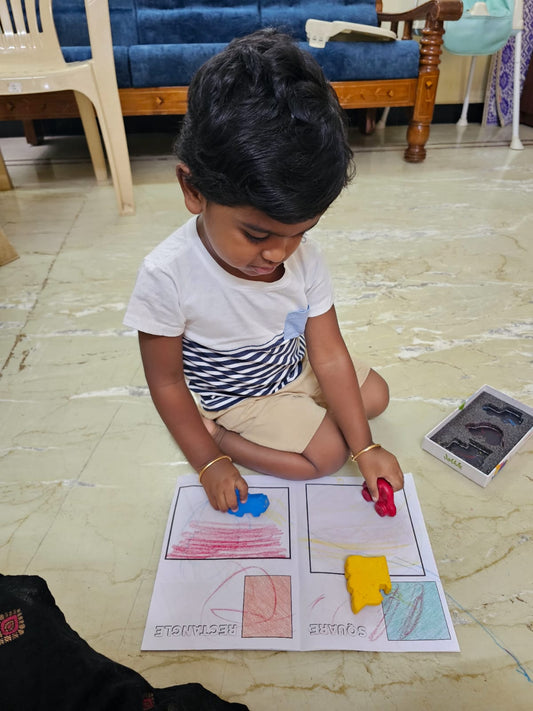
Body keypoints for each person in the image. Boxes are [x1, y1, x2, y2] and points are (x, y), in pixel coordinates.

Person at [124, 28, 404, 513]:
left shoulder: (304, 257)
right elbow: (167, 383)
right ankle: (226, 435)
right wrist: (210, 460)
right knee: (328, 456)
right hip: (242, 399)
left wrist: (368, 447)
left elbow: (329, 352)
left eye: (300, 231)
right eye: (256, 235)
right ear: (193, 190)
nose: (280, 253)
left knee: (374, 396)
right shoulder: (167, 275)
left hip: (293, 368)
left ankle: (319, 421)